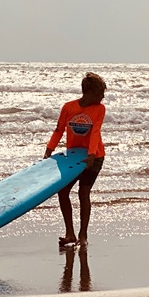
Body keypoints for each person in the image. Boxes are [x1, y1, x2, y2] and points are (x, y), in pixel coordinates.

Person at [45, 71, 106, 247]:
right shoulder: (69, 107)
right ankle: (70, 233)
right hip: (73, 158)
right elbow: (59, 129)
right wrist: (49, 149)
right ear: (89, 92)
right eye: (100, 93)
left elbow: (95, 132)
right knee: (63, 191)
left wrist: (92, 154)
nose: (102, 97)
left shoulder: (99, 109)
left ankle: (83, 235)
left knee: (83, 192)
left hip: (95, 156)